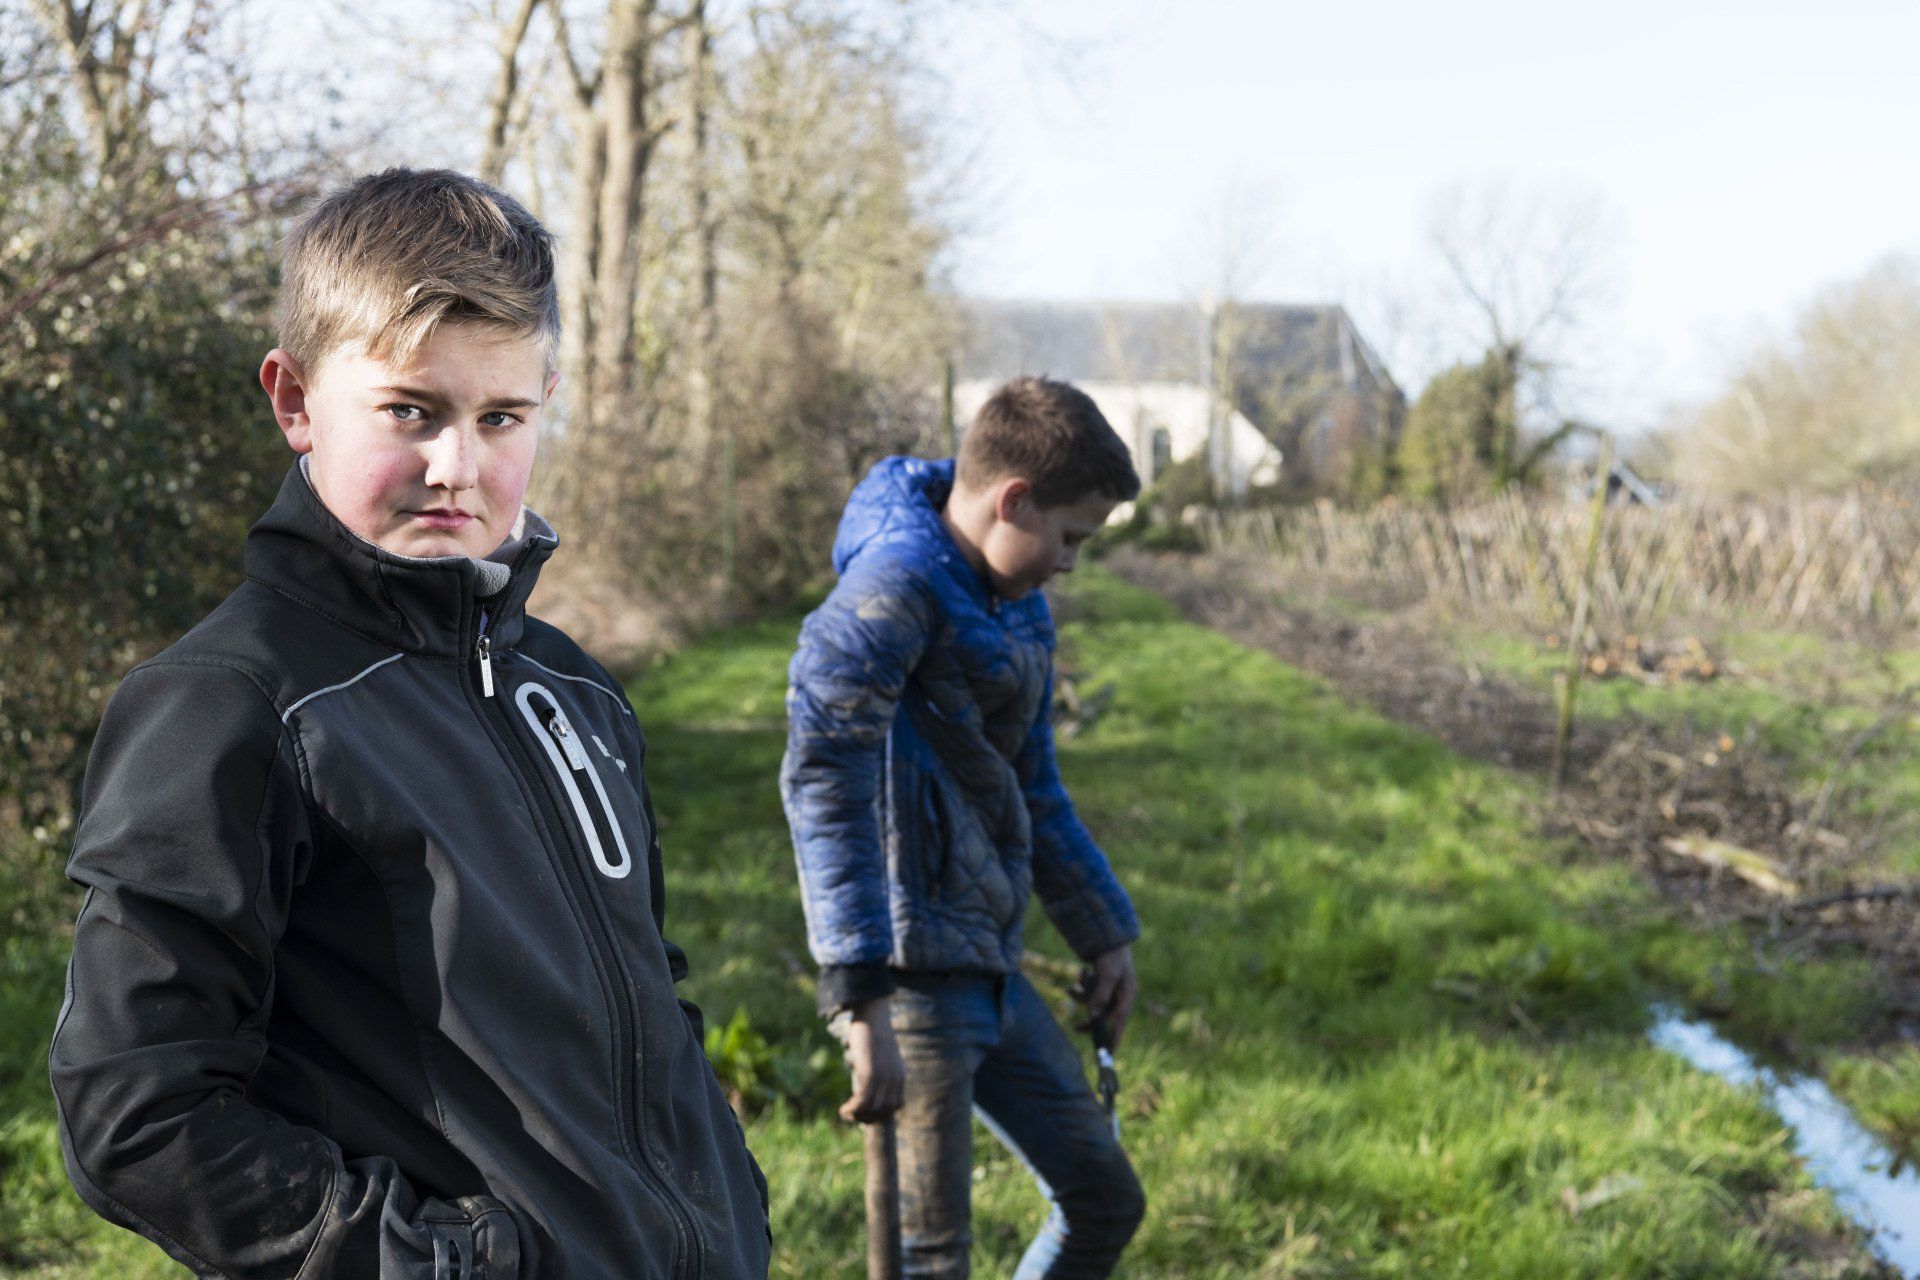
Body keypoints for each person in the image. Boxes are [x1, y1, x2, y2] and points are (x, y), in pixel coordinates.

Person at [49, 168, 771, 1280]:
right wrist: (440, 1263)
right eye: (409, 410)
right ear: (295, 399)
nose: (458, 466)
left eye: (502, 417)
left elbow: (645, 993)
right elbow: (136, 1106)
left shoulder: (575, 690)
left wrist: (726, 1198)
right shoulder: (232, 702)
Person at [780, 376, 1147, 1279]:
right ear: (1011, 500)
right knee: (929, 1260)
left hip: (990, 965)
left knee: (1103, 1202)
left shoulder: (1018, 600)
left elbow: (1033, 781)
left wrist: (1104, 931)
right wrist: (858, 993)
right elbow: (825, 775)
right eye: (1070, 538)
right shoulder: (890, 588)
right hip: (909, 984)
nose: (1069, 562)